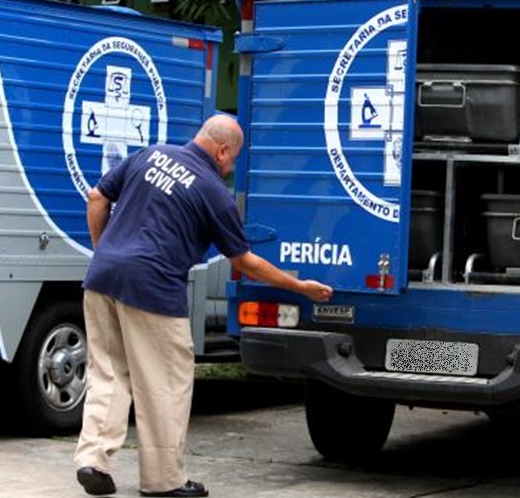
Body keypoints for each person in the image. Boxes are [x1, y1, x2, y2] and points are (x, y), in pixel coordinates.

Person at [73, 114, 333, 497]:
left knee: (108, 373)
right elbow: (243, 261)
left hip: (102, 279)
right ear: (222, 150)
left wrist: (106, 252)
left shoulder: (149, 154)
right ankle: (163, 480)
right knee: (166, 383)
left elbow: (97, 197)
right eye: (232, 159)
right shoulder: (213, 192)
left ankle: (92, 460)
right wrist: (297, 285)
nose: (230, 167)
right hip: (154, 289)